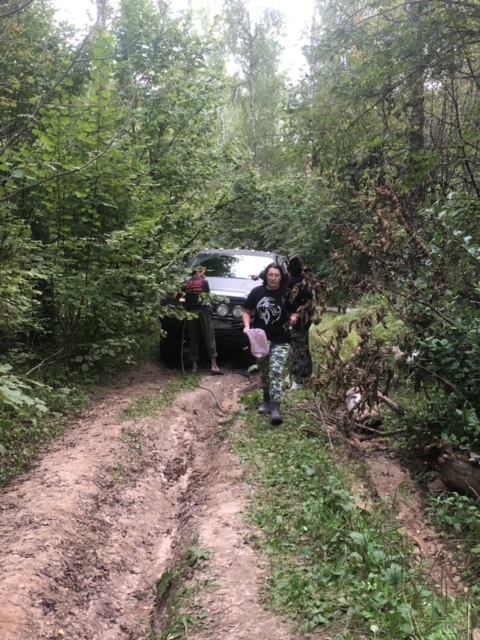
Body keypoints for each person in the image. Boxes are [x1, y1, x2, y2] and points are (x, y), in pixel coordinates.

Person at [242, 263, 294, 425]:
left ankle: (276, 408)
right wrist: (247, 327)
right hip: (261, 340)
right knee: (265, 372)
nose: (273, 278)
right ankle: (266, 400)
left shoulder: (287, 293)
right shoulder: (257, 292)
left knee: (276, 370)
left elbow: (295, 310)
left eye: (276, 275)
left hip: (282, 339)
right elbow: (246, 311)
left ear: (281, 277)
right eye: (270, 275)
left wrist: (294, 318)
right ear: (266, 275)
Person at [183, 266, 221, 374]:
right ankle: (214, 365)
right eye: (203, 273)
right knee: (209, 336)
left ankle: (194, 366)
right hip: (203, 312)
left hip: (190, 313)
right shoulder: (204, 282)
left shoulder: (186, 283)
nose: (204, 275)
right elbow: (207, 297)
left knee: (193, 338)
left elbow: (178, 297)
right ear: (197, 272)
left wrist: (185, 303)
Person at [287, 255, 315, 389]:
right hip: (305, 319)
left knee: (298, 349)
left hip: (297, 321)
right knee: (303, 346)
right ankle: (308, 374)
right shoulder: (307, 280)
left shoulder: (295, 283)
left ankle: (299, 379)